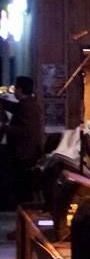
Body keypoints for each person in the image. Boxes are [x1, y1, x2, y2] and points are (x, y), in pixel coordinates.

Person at [0, 75, 45, 207]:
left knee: (21, 187)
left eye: (15, 88)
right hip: (29, 152)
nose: (14, 91)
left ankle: (22, 211)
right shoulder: (29, 103)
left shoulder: (27, 106)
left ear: (20, 89)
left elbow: (25, 131)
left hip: (24, 153)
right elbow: (14, 108)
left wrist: (3, 127)